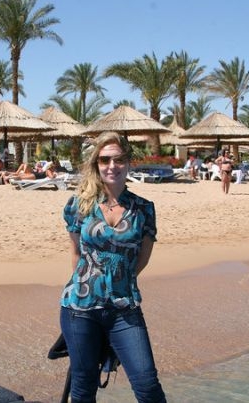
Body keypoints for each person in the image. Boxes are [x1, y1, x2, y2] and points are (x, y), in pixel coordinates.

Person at [59, 132, 166, 402]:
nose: (112, 166)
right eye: (105, 160)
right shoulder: (79, 205)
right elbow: (76, 254)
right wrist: (87, 285)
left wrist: (118, 279)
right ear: (96, 164)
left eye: (118, 160)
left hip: (124, 308)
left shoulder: (143, 209)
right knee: (83, 385)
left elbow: (142, 258)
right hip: (79, 308)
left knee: (147, 383)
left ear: (128, 162)